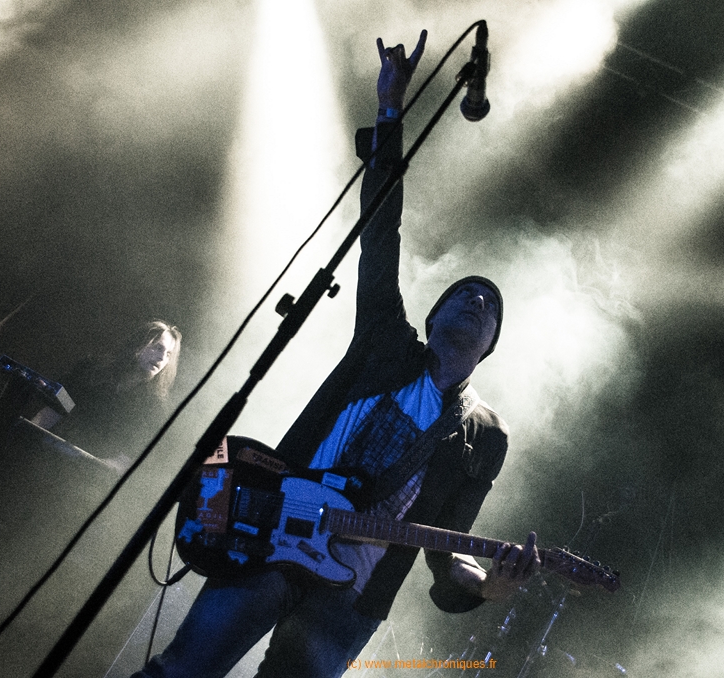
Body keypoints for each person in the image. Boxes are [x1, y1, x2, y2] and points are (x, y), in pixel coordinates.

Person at [133, 31, 538, 678]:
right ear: (432, 318)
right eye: (463, 293)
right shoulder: (385, 343)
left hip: (350, 598)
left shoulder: (485, 435)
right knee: (182, 671)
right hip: (272, 541)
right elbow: (380, 232)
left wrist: (491, 585)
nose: (476, 301)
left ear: (490, 345)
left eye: (489, 305)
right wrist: (390, 112)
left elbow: (448, 553)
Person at [44, 319, 182, 465]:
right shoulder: (92, 370)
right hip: (49, 455)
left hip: (86, 472)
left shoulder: (154, 408)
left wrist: (105, 465)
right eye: (158, 348)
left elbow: (138, 458)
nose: (162, 358)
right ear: (140, 344)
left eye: (168, 354)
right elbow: (53, 409)